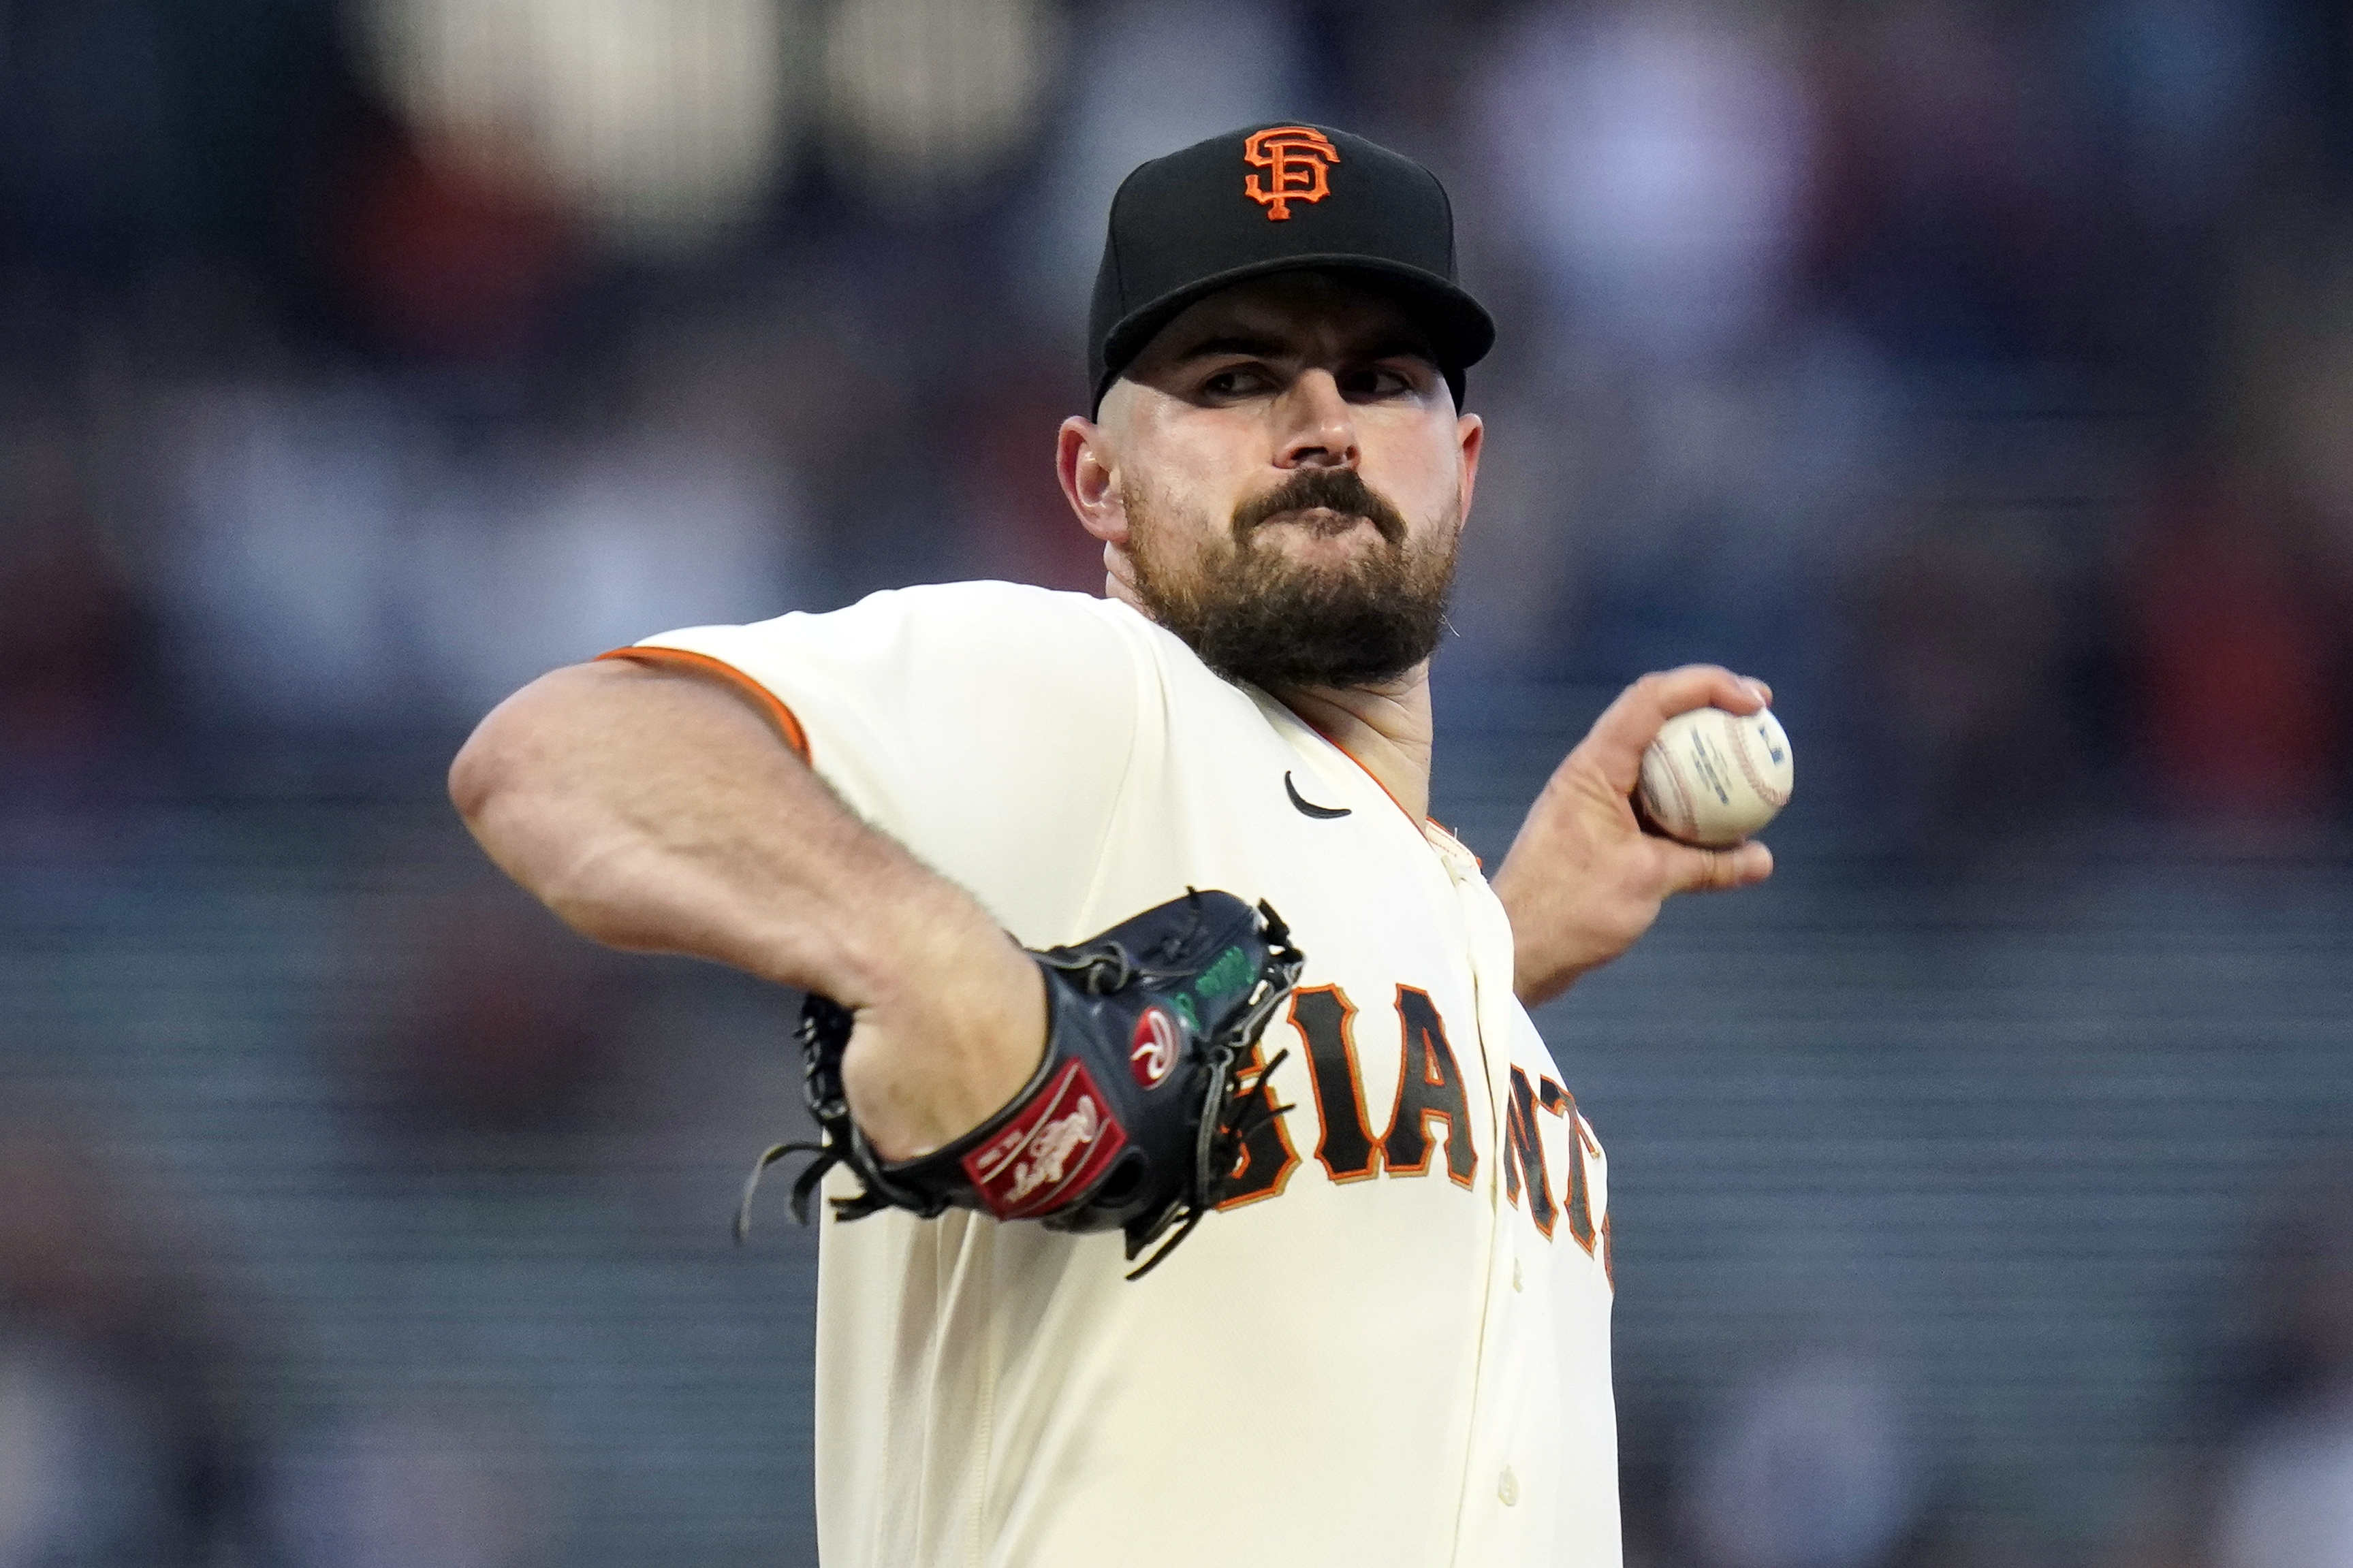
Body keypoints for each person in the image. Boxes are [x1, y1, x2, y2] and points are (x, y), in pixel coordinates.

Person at [450, 123, 1774, 1568]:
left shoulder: (1456, 933)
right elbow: (562, 753)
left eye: (1382, 378)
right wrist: (932, 959)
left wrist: (1488, 953)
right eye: (1235, 378)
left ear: (1463, 466)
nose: (1322, 424)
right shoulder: (1102, 696)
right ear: (1094, 481)